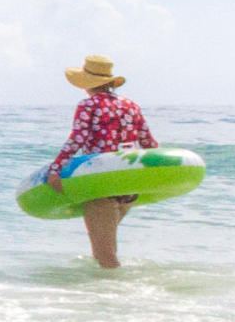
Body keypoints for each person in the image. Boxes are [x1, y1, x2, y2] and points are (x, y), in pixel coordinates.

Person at [47, 54, 156, 270]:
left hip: (99, 182)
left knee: (105, 255)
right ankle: (101, 295)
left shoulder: (88, 105)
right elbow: (148, 142)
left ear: (87, 83)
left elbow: (78, 139)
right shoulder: (131, 105)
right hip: (128, 183)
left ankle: (119, 296)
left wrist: (56, 169)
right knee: (102, 250)